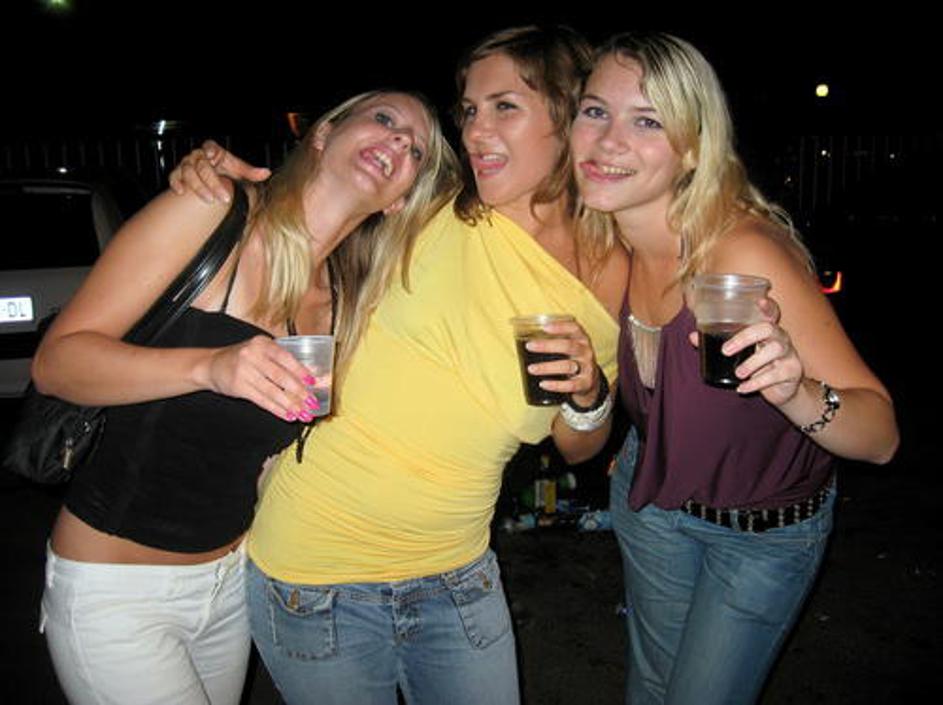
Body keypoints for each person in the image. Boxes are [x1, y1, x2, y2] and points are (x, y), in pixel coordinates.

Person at [168, 26, 629, 705]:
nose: (475, 131)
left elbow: (579, 446)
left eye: (504, 106)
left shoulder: (611, 268)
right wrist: (214, 177)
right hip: (313, 576)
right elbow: (318, 195)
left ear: (566, 115)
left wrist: (588, 394)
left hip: (457, 576)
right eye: (468, 110)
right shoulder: (431, 209)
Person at [31, 90, 456, 705]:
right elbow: (56, 363)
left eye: (416, 150)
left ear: (399, 200)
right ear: (322, 135)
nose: (397, 142)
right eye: (385, 120)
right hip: (117, 590)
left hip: (231, 586)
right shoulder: (212, 210)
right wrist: (211, 366)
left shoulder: (343, 300)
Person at [569, 32, 899, 704]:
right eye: (595, 110)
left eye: (647, 121)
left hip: (760, 534)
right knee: (651, 688)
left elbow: (880, 435)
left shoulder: (741, 253)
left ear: (693, 147)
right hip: (652, 507)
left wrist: (794, 390)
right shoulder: (604, 250)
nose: (606, 141)